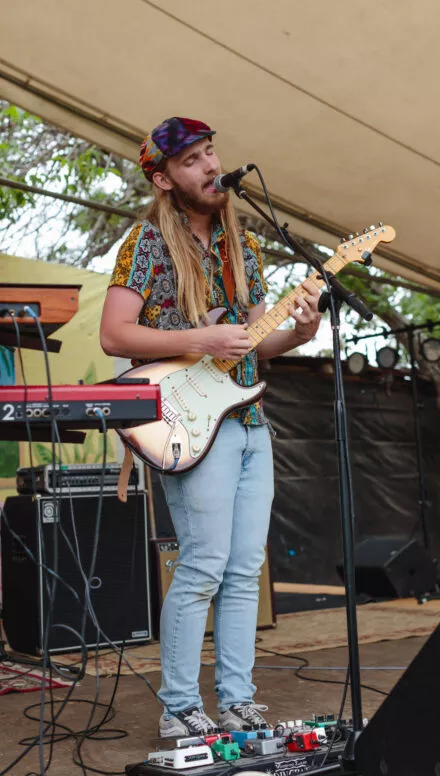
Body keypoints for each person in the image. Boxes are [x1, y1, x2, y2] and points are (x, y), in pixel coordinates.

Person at [100, 116, 321, 738]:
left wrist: (297, 334)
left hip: (250, 417)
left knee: (246, 566)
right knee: (203, 564)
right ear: (164, 178)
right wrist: (198, 337)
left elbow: (254, 345)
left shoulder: (242, 246)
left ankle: (237, 700)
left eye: (211, 152)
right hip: (191, 419)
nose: (208, 165)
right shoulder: (146, 243)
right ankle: (178, 709)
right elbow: (114, 333)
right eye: (193, 158)